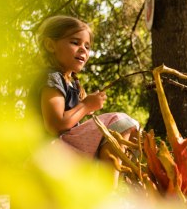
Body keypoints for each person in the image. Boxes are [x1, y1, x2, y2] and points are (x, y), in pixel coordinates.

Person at [33, 15, 139, 186]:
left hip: (64, 152)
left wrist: (84, 108)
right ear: (50, 45)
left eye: (87, 46)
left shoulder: (72, 82)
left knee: (132, 133)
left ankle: (118, 184)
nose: (83, 50)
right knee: (119, 122)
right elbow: (55, 124)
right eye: (75, 43)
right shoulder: (52, 78)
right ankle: (107, 192)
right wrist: (85, 105)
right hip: (48, 152)